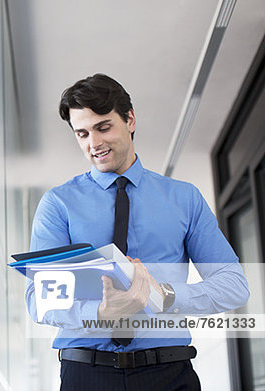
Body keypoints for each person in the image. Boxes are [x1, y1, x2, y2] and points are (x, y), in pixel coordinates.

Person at [25, 73, 249, 390]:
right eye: (82, 133)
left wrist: (165, 296)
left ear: (130, 120)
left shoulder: (184, 198)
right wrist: (100, 312)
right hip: (86, 374)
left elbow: (234, 284)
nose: (94, 144)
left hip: (169, 372)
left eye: (104, 127)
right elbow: (38, 299)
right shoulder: (58, 204)